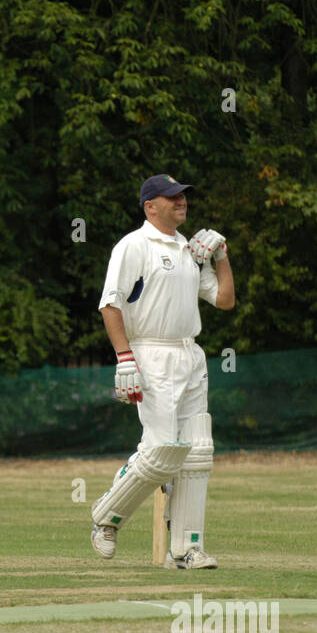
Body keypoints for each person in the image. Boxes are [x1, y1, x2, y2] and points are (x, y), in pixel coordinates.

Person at [90, 174, 235, 569]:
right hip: (151, 354)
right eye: (172, 197)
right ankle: (106, 518)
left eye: (183, 196)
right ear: (149, 206)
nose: (181, 202)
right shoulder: (133, 246)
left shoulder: (189, 250)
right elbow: (110, 304)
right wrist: (124, 358)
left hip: (190, 354)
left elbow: (223, 300)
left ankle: (186, 549)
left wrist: (221, 256)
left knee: (197, 452)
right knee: (159, 453)